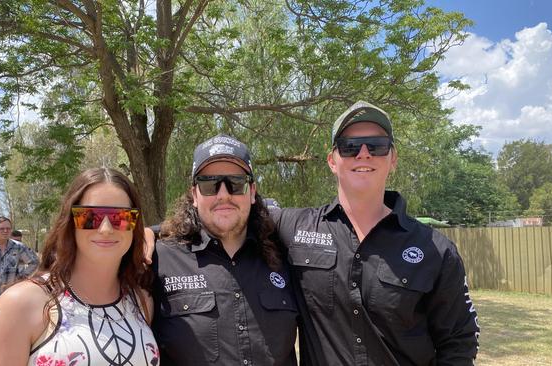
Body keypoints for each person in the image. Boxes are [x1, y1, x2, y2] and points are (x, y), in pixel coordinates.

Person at [272, 101, 480, 365]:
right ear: (332, 161)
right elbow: (235, 216)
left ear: (393, 159)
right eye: (349, 146)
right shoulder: (294, 228)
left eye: (376, 145)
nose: (363, 154)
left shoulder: (436, 250)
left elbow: (459, 343)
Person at [0, 168, 159, 365]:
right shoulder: (22, 304)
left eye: (120, 217)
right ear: (70, 222)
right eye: (90, 217)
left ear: (134, 225)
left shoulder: (141, 301)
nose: (105, 229)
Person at [152, 134, 298, 365]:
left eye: (235, 183)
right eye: (209, 184)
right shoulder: (158, 259)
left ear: (251, 192)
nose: (223, 194)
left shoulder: (287, 254)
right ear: (194, 195)